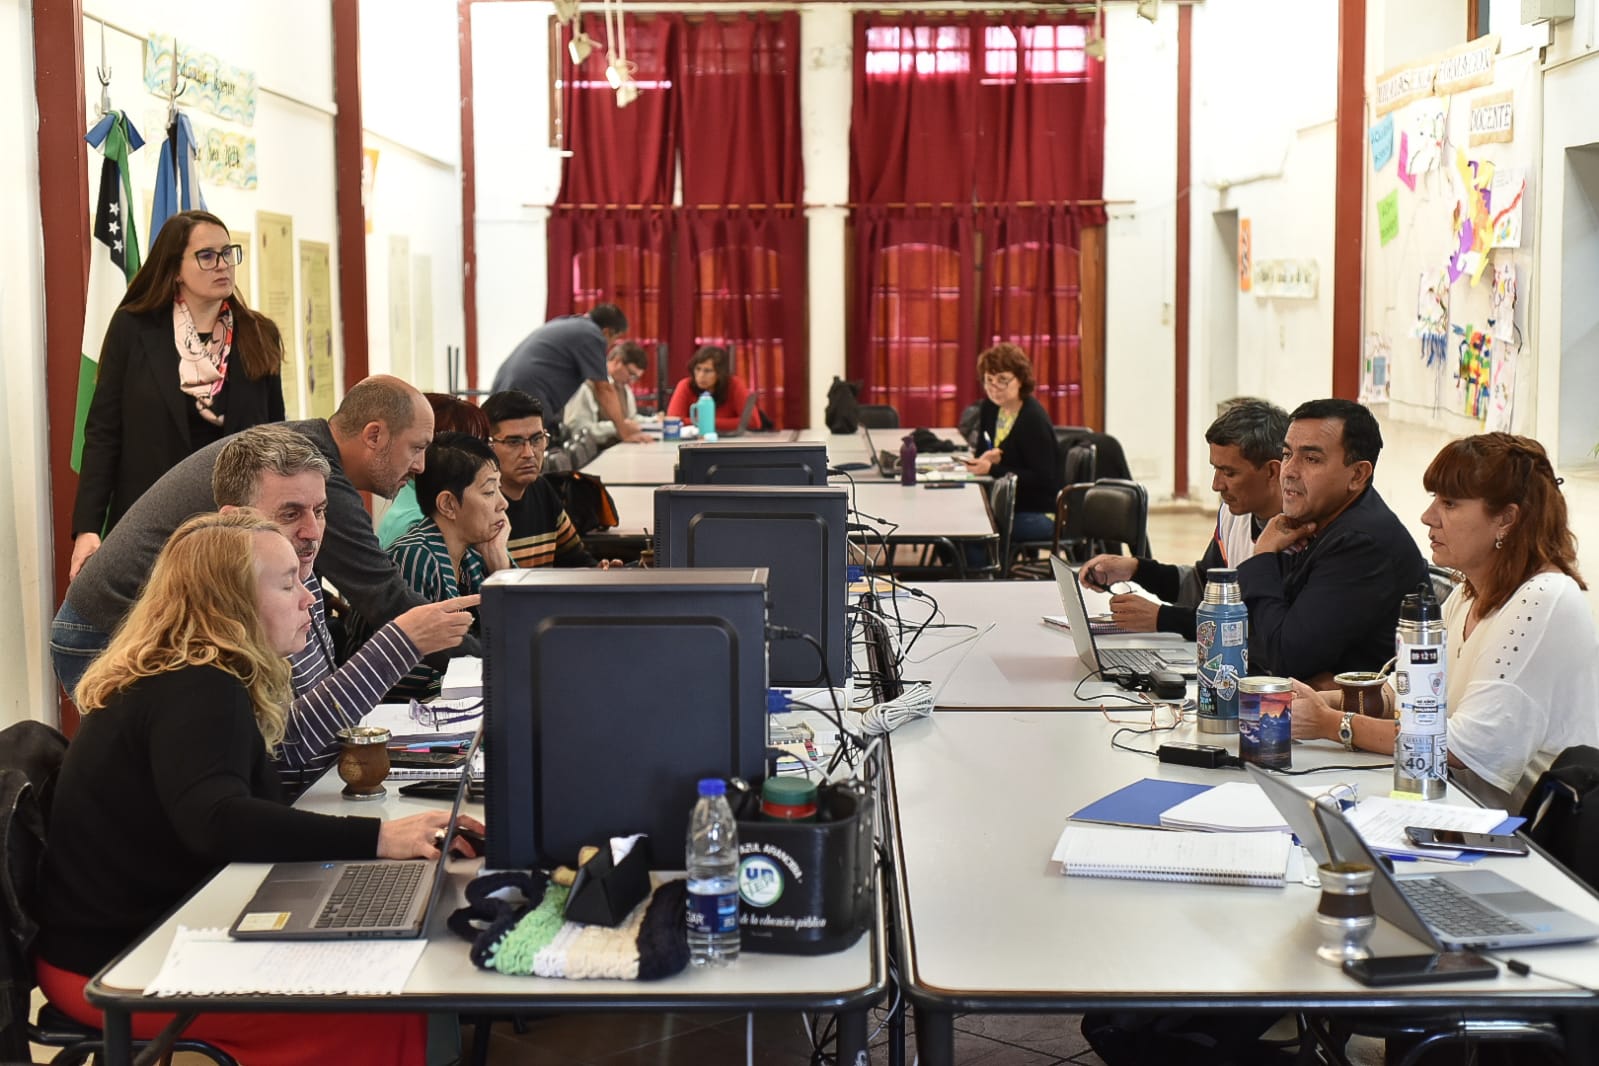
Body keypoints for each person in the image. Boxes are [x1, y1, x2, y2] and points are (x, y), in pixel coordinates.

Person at [36, 511, 479, 1066]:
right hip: (115, 966)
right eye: (288, 583)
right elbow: (218, 820)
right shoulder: (195, 684)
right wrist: (378, 839)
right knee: (380, 1000)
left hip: (131, 939)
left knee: (386, 959)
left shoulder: (194, 669)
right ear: (232, 603)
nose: (309, 600)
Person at [51, 375, 465, 693]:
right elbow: (386, 599)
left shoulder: (307, 458)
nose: (421, 466)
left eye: (318, 512)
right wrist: (490, 666)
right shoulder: (309, 477)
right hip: (108, 630)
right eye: (417, 447)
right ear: (374, 435)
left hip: (142, 625)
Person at [1291, 433, 1599, 808]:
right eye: (1433, 499)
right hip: (1459, 806)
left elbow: (1460, 748)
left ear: (1506, 518)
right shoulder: (1471, 591)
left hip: (1531, 837)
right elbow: (1400, 695)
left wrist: (1331, 724)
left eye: (1449, 503)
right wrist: (1298, 703)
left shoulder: (1543, 598)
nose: (1428, 516)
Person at [207, 425, 478, 791]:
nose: (313, 531)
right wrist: (400, 644)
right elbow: (283, 750)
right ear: (232, 520)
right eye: (290, 515)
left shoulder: (308, 585)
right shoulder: (217, 618)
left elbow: (325, 731)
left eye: (319, 511)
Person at [70, 209, 285, 578]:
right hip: (151, 524)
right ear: (174, 269)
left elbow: (276, 436)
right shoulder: (134, 329)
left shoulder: (258, 334)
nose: (222, 265)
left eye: (227, 253)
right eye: (206, 256)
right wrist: (88, 527)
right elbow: (104, 433)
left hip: (233, 528)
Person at [1235, 398, 1426, 682]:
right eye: (1287, 454)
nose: (1289, 471)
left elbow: (1285, 657)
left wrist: (1263, 553)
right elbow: (1251, 633)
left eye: (1311, 459)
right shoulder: (1316, 521)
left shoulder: (1361, 543)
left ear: (1358, 475)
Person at [1080, 399, 1287, 638]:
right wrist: (1135, 569)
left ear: (1273, 471)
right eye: (1215, 469)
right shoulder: (1232, 515)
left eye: (1229, 473)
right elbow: (1201, 587)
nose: (1216, 485)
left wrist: (1163, 618)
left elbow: (1262, 630)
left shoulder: (1299, 533)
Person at [363, 433, 511, 701]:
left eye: (500, 489)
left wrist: (501, 566)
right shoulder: (416, 556)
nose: (503, 503)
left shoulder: (475, 557)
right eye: (490, 491)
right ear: (448, 505)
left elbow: (516, 636)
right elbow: (406, 676)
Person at [484, 389, 605, 569]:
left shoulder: (542, 489)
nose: (529, 453)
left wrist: (599, 570)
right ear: (487, 446)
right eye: (514, 442)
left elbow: (575, 560)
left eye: (537, 439)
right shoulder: (478, 507)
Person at [490, 304, 646, 443]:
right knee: (526, 450)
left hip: (505, 385)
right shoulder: (592, 335)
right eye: (615, 339)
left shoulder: (568, 323)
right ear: (607, 332)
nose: (609, 346)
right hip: (528, 392)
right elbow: (604, 389)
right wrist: (623, 431)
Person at [962, 343, 1062, 547]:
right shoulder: (990, 408)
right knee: (961, 522)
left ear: (1020, 380)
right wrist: (987, 459)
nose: (994, 388)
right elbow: (985, 451)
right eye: (989, 381)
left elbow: (1045, 479)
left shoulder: (1032, 418)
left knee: (974, 532)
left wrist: (994, 468)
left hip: (1039, 511)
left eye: (1002, 381)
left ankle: (983, 576)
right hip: (1004, 504)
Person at [377, 392, 492, 548]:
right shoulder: (415, 523)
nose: (483, 458)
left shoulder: (458, 500)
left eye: (483, 444)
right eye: (469, 448)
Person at [565, 340, 648, 447]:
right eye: (631, 374)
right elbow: (579, 431)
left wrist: (653, 421)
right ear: (617, 361)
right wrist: (618, 427)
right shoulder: (586, 387)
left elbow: (631, 419)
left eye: (635, 378)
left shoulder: (625, 389)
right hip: (595, 456)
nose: (631, 381)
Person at [666, 345, 754, 434]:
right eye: (698, 369)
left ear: (720, 373)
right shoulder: (685, 385)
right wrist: (727, 423)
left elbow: (752, 422)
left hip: (730, 442)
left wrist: (701, 422)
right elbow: (673, 422)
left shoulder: (735, 385)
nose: (701, 375)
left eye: (707, 371)